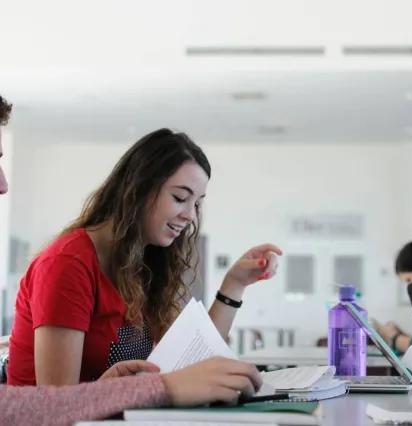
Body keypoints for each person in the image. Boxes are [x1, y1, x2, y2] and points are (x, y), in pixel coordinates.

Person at [0, 94, 265, 426]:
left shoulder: (140, 264)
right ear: (138, 189)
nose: (189, 215)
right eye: (180, 198)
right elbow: (57, 406)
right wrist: (135, 389)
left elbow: (193, 355)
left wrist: (235, 284)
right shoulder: (68, 264)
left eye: (196, 203)